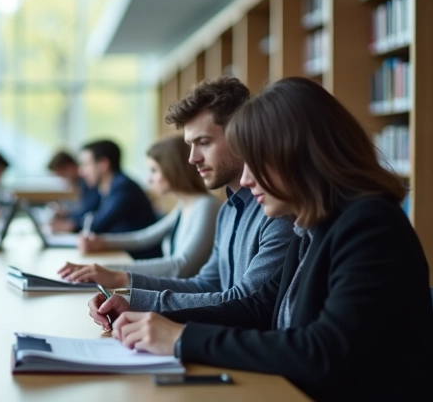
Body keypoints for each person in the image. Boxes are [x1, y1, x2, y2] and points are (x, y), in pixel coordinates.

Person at [109, 77, 433, 402]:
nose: (247, 180)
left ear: (297, 154)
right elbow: (257, 307)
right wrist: (144, 311)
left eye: (256, 162)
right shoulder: (312, 227)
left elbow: (321, 351)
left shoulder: (368, 225)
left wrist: (181, 339)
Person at [88, 78, 292, 324]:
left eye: (204, 143)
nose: (193, 159)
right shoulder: (228, 210)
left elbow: (245, 303)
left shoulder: (278, 214)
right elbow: (206, 283)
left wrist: (134, 297)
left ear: (242, 135)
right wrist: (130, 299)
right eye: (190, 145)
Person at [56, 137, 219, 287]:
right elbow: (144, 237)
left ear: (173, 170)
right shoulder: (184, 206)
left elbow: (180, 267)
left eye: (154, 170)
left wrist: (106, 269)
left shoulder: (206, 206)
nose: (149, 179)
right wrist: (103, 242)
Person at [50, 141, 158, 257]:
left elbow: (98, 224)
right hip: (121, 253)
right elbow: (90, 214)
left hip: (136, 257)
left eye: (86, 164)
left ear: (103, 164)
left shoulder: (123, 186)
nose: (81, 172)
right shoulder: (106, 187)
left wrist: (70, 226)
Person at [47, 150, 100, 223]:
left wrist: (68, 218)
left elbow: (88, 211)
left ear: (69, 167)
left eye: (62, 175)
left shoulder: (88, 182)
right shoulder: (75, 184)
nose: (63, 180)